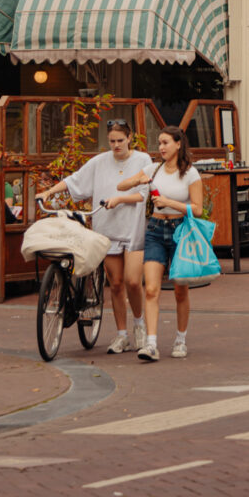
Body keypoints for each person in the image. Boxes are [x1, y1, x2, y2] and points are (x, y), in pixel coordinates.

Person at [38, 118, 153, 356]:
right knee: (116, 284)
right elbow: (74, 181)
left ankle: (139, 324)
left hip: (132, 228)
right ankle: (122, 335)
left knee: (133, 281)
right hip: (107, 228)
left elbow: (144, 194)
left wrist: (119, 199)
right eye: (112, 141)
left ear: (130, 138)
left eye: (120, 140)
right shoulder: (99, 162)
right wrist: (48, 191)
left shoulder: (143, 160)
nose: (116, 145)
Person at [118, 126, 204, 360]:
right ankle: (152, 344)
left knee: (179, 290)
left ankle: (180, 339)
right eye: (159, 143)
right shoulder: (152, 170)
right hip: (155, 230)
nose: (161, 147)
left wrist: (169, 202)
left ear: (178, 144)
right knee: (152, 289)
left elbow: (198, 209)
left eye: (166, 142)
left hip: (180, 232)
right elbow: (121, 186)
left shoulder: (190, 174)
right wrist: (139, 179)